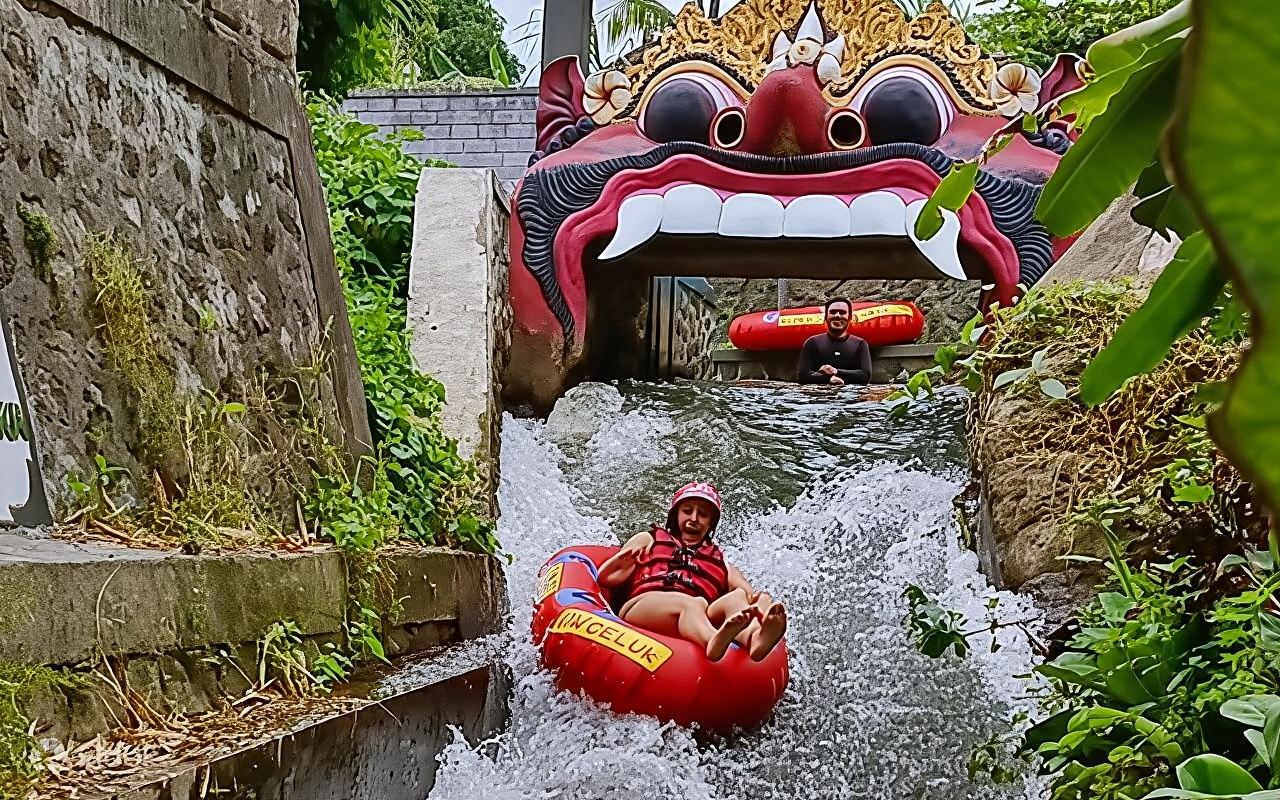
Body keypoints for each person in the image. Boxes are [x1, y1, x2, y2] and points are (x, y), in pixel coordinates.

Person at [597, 482, 787, 663]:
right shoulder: (649, 539)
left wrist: (762, 602)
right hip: (643, 607)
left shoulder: (722, 563)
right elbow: (607, 579)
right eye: (687, 511)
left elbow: (749, 595)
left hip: (695, 617)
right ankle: (711, 641)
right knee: (694, 603)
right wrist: (624, 560)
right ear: (676, 515)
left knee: (736, 597)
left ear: (711, 522)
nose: (694, 518)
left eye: (702, 514)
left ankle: (754, 638)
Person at [797, 297, 872, 386]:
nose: (837, 315)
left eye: (842, 312)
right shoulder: (812, 343)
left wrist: (836, 371)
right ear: (826, 316)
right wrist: (829, 379)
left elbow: (865, 375)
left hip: (851, 394)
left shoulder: (860, 344)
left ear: (850, 317)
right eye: (833, 312)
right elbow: (803, 376)